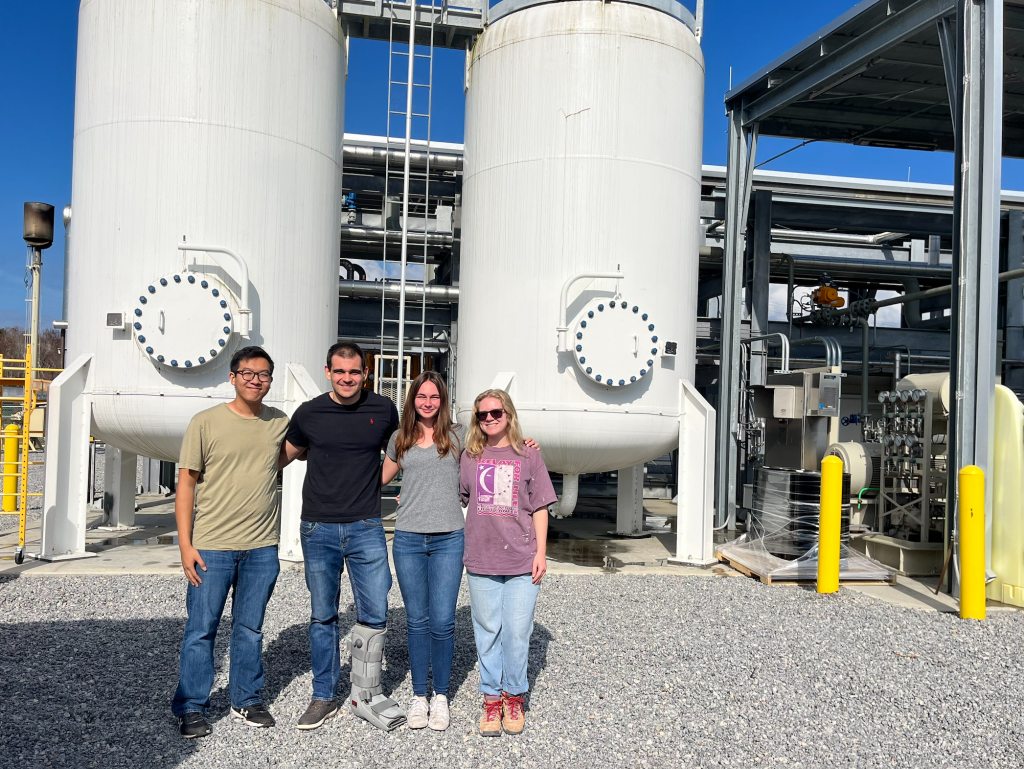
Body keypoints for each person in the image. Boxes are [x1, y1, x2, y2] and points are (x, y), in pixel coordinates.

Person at [282, 341, 406, 732]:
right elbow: (280, 455)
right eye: (340, 371)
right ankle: (323, 696)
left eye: (354, 372)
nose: (347, 378)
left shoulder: (383, 409)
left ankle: (366, 694)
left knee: (374, 614)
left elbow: (404, 447)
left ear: (365, 374)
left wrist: (378, 482)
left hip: (366, 526)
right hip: (318, 528)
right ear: (328, 372)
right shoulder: (309, 413)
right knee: (323, 616)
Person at [171, 346, 292, 739]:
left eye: (264, 374)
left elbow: (312, 446)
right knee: (201, 629)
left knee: (250, 628)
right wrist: (186, 545)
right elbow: (186, 485)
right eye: (249, 373)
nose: (256, 380)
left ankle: (246, 698)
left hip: (260, 547)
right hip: (212, 546)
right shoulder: (205, 423)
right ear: (233, 377)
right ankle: (191, 706)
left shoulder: (279, 423)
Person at [460, 389, 556, 737]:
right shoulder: (469, 456)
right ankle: (490, 699)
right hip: (481, 558)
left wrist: (541, 553)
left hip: (521, 557)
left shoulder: (528, 456)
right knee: (487, 632)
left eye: (495, 413)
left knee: (517, 633)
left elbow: (541, 507)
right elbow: (455, 495)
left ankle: (513, 695)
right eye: (482, 415)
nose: (489, 419)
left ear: (509, 414)